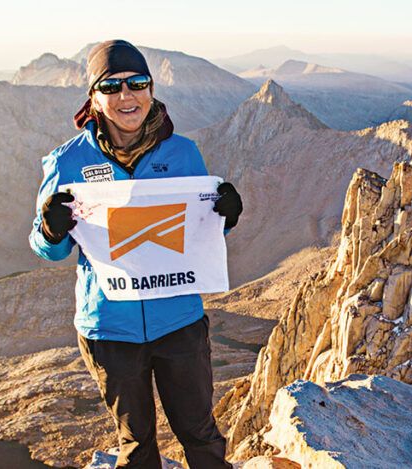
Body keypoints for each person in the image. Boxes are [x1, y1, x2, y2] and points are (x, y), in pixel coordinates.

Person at [29, 40, 241, 469]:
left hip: (178, 321)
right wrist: (51, 228)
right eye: (111, 87)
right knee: (137, 444)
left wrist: (226, 215)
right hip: (109, 329)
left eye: (137, 83)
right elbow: (48, 249)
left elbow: (198, 230)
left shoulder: (183, 153)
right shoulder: (67, 162)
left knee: (200, 435)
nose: (127, 96)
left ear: (151, 89)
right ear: (94, 97)